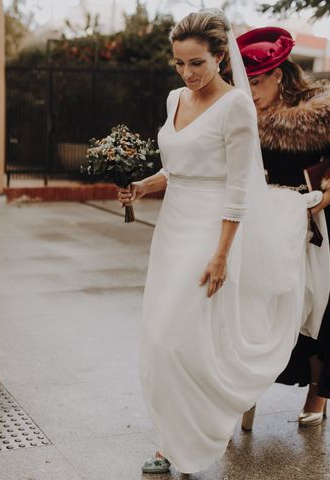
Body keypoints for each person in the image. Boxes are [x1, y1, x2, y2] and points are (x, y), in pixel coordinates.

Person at [117, 10, 311, 474]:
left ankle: (198, 431)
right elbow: (180, 165)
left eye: (197, 64)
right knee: (160, 338)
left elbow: (239, 184)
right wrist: (145, 185)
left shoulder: (235, 106)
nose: (188, 74)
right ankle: (170, 439)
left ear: (221, 58)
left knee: (176, 338)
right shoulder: (173, 100)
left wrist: (222, 253)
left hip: (210, 230)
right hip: (172, 228)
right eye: (180, 64)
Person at [239, 26, 330, 426]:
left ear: (278, 74)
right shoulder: (243, 114)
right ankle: (244, 392)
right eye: (246, 83)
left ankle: (318, 396)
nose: (251, 90)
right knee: (264, 307)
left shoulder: (319, 112)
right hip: (263, 220)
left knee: (316, 304)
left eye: (257, 82)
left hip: (315, 219)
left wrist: (317, 201)